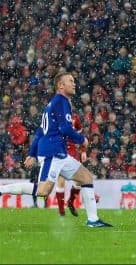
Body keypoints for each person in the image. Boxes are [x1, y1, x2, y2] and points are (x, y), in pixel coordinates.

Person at [32, 71, 111, 227]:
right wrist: (83, 140)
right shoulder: (61, 101)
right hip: (53, 152)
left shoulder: (55, 103)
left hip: (61, 153)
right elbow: (65, 129)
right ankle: (3, 189)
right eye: (71, 81)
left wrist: (31, 153)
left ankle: (93, 220)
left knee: (86, 177)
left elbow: (41, 130)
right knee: (43, 191)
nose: (74, 83)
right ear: (61, 85)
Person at [56, 113, 86, 217]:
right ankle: (61, 211)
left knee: (78, 182)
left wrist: (83, 151)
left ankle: (70, 202)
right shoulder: (55, 116)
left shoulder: (75, 118)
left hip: (73, 153)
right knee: (61, 181)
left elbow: (80, 136)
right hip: (60, 151)